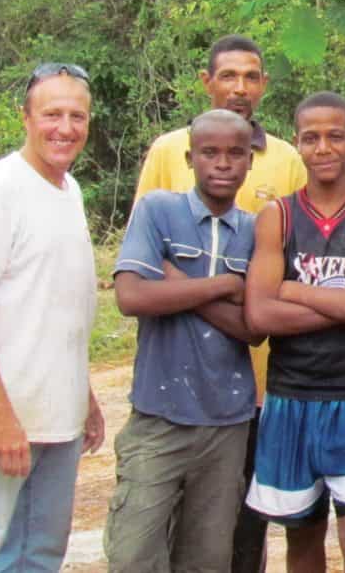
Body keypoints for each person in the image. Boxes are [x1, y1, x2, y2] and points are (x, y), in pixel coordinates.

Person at [135, 34, 305, 572]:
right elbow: (143, 264)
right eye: (228, 76)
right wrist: (222, 287)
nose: (239, 87)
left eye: (251, 76)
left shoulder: (287, 160)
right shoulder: (168, 151)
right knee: (153, 528)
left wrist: (198, 287)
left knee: (234, 531)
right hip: (169, 379)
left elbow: (274, 280)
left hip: (249, 387)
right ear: (205, 82)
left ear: (264, 86)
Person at [0, 63, 104, 571]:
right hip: (1, 421)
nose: (65, 128)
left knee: (38, 556)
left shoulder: (69, 192)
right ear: (26, 118)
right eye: (51, 114)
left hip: (56, 421)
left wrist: (86, 395)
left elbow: (57, 308)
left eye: (76, 116)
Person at [244, 91, 345, 573]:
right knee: (302, 540)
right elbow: (258, 318)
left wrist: (295, 291)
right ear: (297, 145)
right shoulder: (278, 216)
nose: (324, 147)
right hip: (292, 396)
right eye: (311, 138)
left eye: (336, 136)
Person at [104, 110, 259, 571]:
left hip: (227, 423)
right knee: (134, 553)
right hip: (159, 416)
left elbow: (255, 328)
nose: (222, 164)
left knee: (207, 557)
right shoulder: (158, 210)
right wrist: (222, 287)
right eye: (209, 153)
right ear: (191, 158)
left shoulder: (257, 230)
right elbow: (131, 296)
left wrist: (175, 283)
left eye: (235, 153)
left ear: (250, 161)